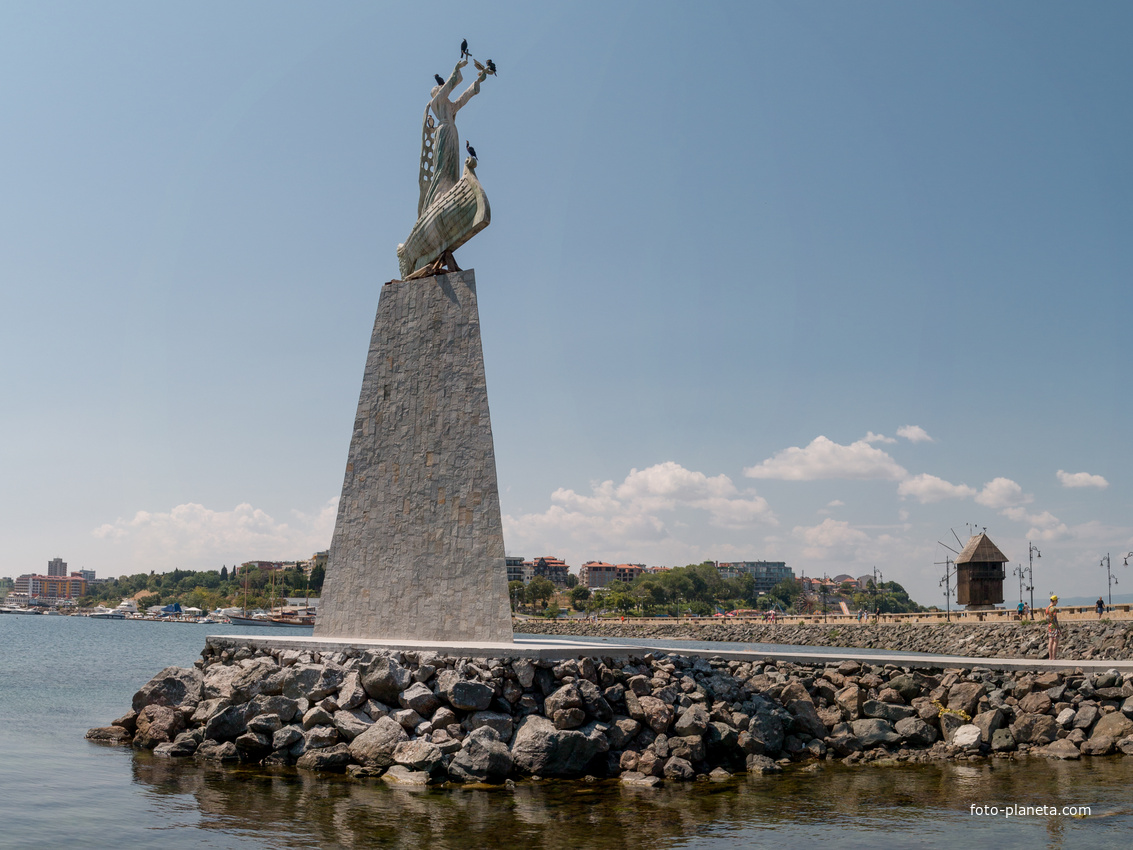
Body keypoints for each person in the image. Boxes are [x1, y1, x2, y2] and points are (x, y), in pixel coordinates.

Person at [418, 59, 489, 216]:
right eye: (440, 89)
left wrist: (477, 82)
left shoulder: (449, 107)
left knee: (452, 163)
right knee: (443, 164)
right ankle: (440, 192)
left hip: (452, 133)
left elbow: (463, 98)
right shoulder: (436, 102)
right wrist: (456, 70)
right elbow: (447, 88)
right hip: (443, 132)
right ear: (436, 93)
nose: (442, 89)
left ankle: (451, 187)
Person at [1046, 594, 1061, 660]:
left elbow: (1047, 618)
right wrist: (1058, 627)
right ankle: (1054, 657)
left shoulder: (1047, 608)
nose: (1057, 602)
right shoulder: (1053, 609)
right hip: (1054, 626)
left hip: (1049, 626)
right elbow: (1055, 619)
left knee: (1050, 641)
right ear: (1054, 601)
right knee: (1055, 642)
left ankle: (1050, 657)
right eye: (1057, 600)